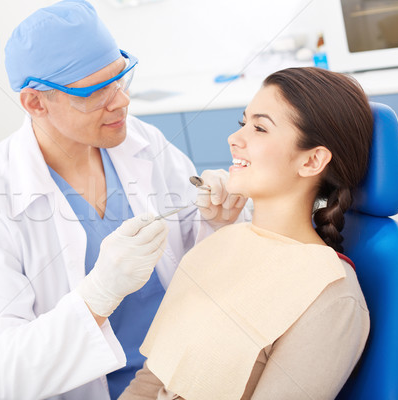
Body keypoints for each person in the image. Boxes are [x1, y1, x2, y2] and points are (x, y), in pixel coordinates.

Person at [0, 1, 248, 399]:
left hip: (185, 367)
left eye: (120, 78)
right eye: (94, 91)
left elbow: (199, 258)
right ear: (35, 103)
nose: (121, 101)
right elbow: (3, 377)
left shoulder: (141, 142)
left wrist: (218, 221)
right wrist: (98, 295)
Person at [119, 67, 373, 400]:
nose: (235, 139)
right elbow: (150, 382)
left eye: (260, 128)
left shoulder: (332, 298)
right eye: (243, 123)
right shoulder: (220, 242)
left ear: (312, 161)